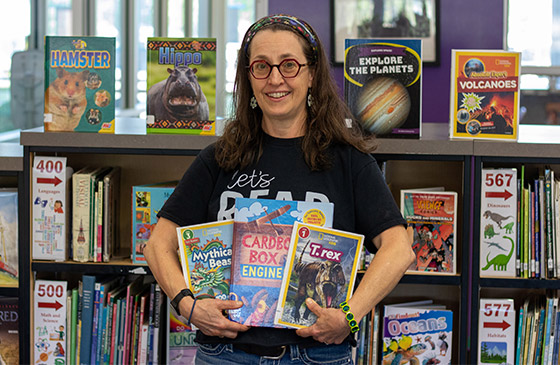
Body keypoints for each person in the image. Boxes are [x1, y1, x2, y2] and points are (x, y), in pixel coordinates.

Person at [144, 13, 415, 364]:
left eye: (289, 65)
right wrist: (187, 305)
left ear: (312, 74)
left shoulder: (349, 162)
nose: (275, 79)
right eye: (261, 66)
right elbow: (157, 245)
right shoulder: (219, 158)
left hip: (315, 354)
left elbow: (399, 248)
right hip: (225, 354)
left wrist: (350, 316)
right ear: (249, 77)